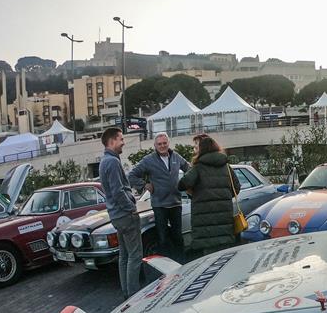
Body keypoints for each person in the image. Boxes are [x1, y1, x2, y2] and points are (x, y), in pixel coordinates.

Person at [128, 132, 190, 261]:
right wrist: (144, 185)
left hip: (175, 203)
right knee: (162, 237)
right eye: (159, 144)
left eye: (164, 143)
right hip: (159, 205)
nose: (162, 146)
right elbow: (132, 175)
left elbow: (189, 169)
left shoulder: (176, 157)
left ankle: (182, 263)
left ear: (168, 143)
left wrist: (186, 184)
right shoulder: (148, 160)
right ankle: (167, 266)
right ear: (155, 146)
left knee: (177, 236)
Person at [178, 134, 240, 259]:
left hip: (204, 222)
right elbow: (236, 187)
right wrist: (223, 197)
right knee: (226, 258)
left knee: (209, 261)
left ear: (201, 150)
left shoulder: (198, 167)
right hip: (224, 218)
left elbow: (182, 185)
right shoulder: (226, 166)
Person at [98, 127, 141, 298]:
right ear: (112, 141)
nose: (123, 142)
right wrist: (131, 209)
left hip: (116, 216)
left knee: (124, 256)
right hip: (125, 215)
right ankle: (134, 294)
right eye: (121, 139)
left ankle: (126, 293)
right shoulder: (113, 162)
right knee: (135, 256)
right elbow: (117, 191)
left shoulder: (104, 161)